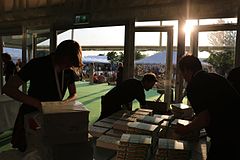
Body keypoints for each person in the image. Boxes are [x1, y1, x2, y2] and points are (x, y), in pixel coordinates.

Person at [2, 40, 83, 152]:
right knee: (29, 151)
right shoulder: (37, 64)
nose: (69, 66)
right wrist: (38, 104)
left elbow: (74, 93)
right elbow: (8, 88)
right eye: (68, 62)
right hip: (31, 116)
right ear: (61, 55)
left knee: (50, 150)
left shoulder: (68, 71)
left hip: (52, 116)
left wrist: (66, 102)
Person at [175, 55, 238, 160]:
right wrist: (196, 122)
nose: (183, 77)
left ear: (186, 70)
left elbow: (204, 119)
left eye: (182, 73)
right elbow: (212, 108)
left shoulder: (194, 85)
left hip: (226, 137)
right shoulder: (216, 78)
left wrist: (185, 129)